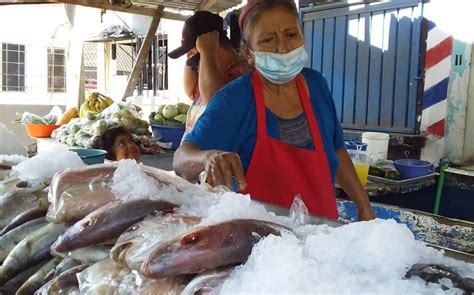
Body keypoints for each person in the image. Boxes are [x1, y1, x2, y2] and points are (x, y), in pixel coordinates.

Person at [173, 0, 375, 221]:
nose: (283, 48)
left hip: (323, 237)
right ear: (248, 53)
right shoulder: (235, 99)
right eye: (268, 39)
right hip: (262, 245)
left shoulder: (317, 85)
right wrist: (207, 157)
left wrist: (363, 206)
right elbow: (181, 160)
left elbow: (337, 151)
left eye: (290, 34)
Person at [168, 10, 248, 136]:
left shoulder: (241, 76)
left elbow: (215, 104)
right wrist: (196, 55)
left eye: (192, 55)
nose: (192, 64)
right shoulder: (212, 77)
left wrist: (207, 53)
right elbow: (190, 91)